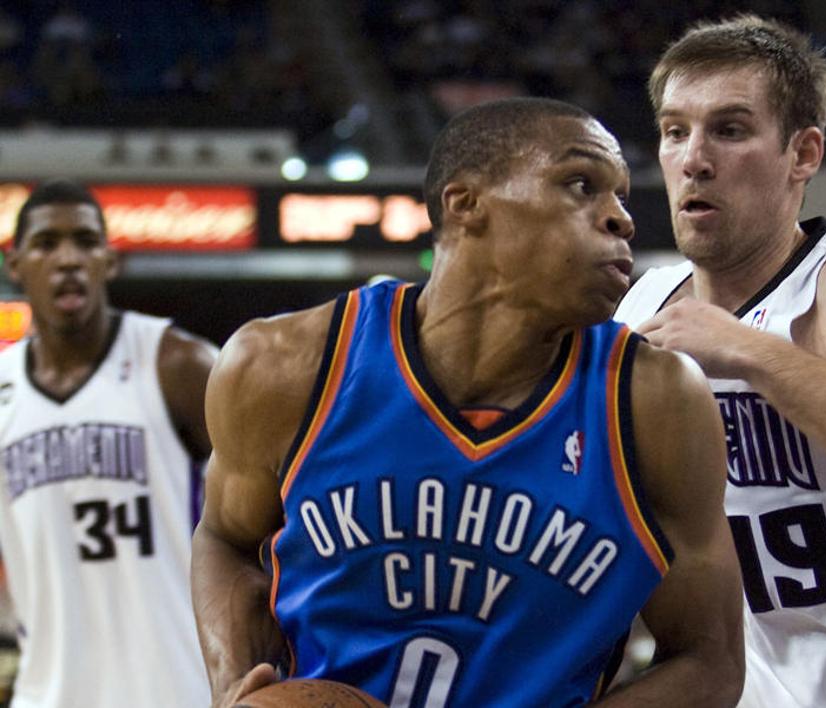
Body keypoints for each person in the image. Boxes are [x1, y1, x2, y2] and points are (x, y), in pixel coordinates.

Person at [192, 96, 744, 707]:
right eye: (581, 185)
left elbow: (710, 660)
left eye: (620, 197)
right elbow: (224, 539)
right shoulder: (286, 365)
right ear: (465, 204)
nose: (622, 219)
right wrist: (234, 684)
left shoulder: (654, 402)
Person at [613, 15, 826, 708]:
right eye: (674, 131)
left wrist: (750, 350)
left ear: (803, 153)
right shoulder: (640, 305)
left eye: (729, 130)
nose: (693, 159)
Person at [0, 178, 215, 707]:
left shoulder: (177, 365)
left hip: (177, 689)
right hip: (48, 694)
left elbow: (269, 510)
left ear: (109, 261)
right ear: (15, 265)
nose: (68, 260)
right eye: (46, 244)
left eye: (85, 241)